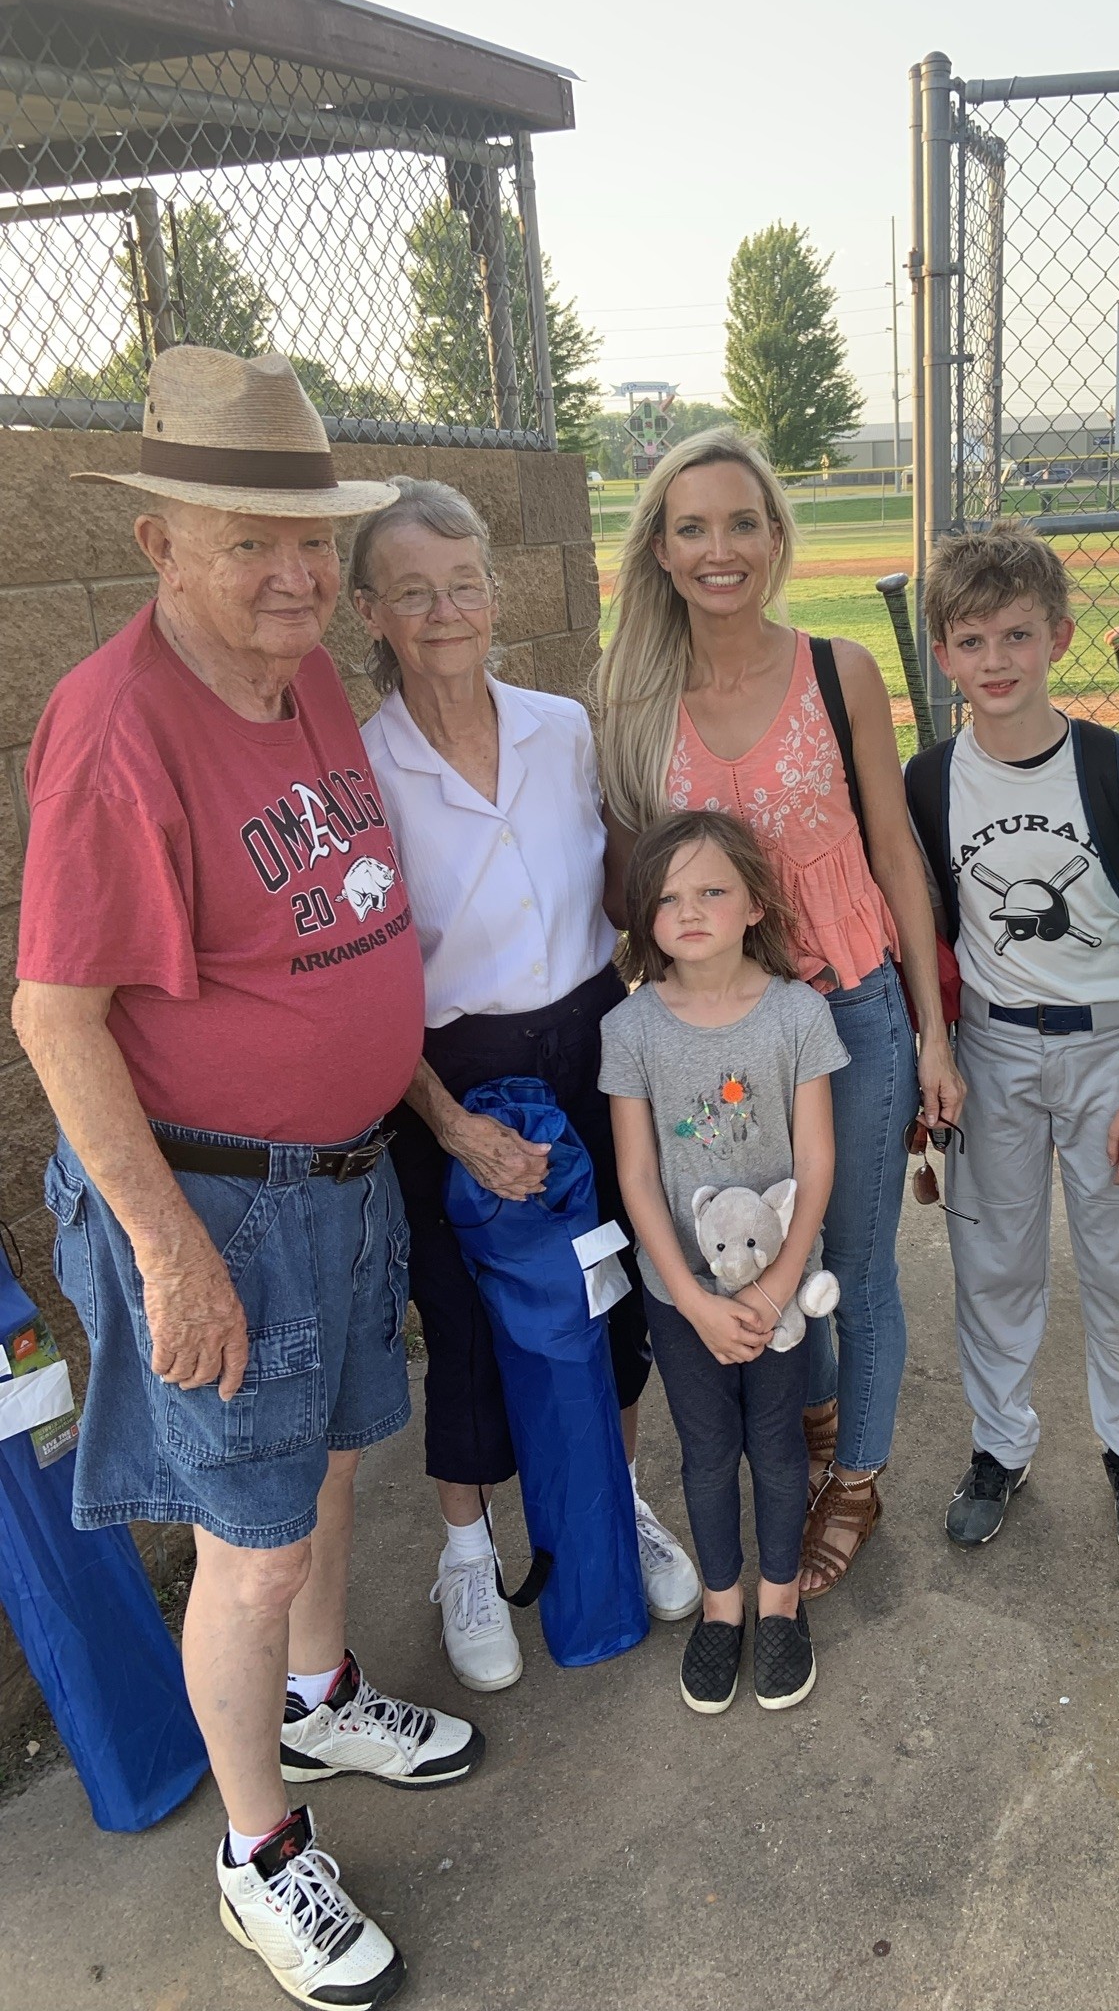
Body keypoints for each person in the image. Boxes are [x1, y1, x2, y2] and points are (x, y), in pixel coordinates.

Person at [14, 347, 479, 2011]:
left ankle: (321, 1695)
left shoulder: (306, 680)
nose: (295, 575)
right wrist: (168, 1250)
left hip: (337, 1179)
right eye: (248, 542)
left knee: (331, 1467)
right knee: (250, 1539)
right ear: (159, 543)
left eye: (312, 541)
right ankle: (259, 1852)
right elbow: (54, 1015)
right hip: (217, 1205)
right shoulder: (116, 727)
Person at [596, 429, 964, 1598]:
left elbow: (896, 854)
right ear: (661, 550)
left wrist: (932, 1029)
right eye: (693, 527)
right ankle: (812, 1427)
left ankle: (855, 1478)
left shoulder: (836, 670)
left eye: (743, 523)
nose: (721, 549)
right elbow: (627, 887)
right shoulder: (635, 701)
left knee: (849, 1260)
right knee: (752, 1246)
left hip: (848, 1004)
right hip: (720, 1030)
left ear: (775, 538)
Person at [350, 476, 700, 1692]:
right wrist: (449, 1125)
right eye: (412, 593)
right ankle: (467, 1550)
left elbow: (621, 888)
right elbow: (366, 987)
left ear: (494, 593)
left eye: (464, 585)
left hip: (592, 1039)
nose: (445, 611)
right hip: (451, 1072)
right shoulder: (361, 770)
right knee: (464, 1315)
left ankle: (613, 1500)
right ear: (371, 612)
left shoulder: (563, 727)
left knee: (610, 1286)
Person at [907, 527, 1119, 1560]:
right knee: (992, 1262)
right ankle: (1001, 1443)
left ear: (1060, 637)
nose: (996, 660)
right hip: (990, 1053)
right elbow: (925, 931)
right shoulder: (930, 782)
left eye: (1018, 634)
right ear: (943, 654)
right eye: (972, 639)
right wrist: (935, 1047)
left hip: (1108, 1050)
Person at [599, 811, 847, 1711]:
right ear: (644, 917)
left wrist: (778, 1289)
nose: (691, 911)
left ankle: (779, 1604)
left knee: (777, 1450)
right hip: (683, 1298)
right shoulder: (630, 1028)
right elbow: (636, 1177)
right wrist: (693, 1301)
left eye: (712, 890)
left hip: (782, 1294)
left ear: (754, 904)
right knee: (707, 1454)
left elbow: (815, 1158)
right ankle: (721, 1608)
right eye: (669, 898)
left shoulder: (797, 1013)